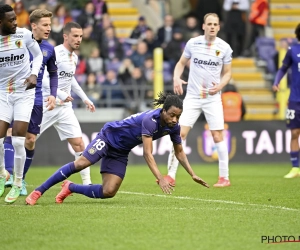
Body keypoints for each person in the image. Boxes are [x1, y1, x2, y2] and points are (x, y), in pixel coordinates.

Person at [25, 92, 209, 205]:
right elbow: (147, 153)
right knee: (81, 163)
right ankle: (38, 191)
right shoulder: (150, 120)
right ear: (163, 111)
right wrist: (160, 178)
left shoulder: (174, 126)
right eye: (172, 115)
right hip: (108, 137)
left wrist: (192, 174)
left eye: (178, 116)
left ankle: (70, 187)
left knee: (109, 192)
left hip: (121, 150)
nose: (175, 120)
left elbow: (179, 152)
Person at [166, 13, 233, 188]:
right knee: (179, 134)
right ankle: (171, 176)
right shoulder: (193, 43)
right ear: (203, 26)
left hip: (212, 98)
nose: (212, 27)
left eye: (215, 24)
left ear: (219, 27)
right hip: (193, 98)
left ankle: (224, 178)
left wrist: (220, 86)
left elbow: (227, 73)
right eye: (209, 24)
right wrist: (176, 78)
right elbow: (181, 63)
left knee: (217, 135)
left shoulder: (224, 48)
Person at [4, 9, 58, 196]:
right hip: (12, 94)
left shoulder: (49, 49)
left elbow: (53, 73)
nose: (49, 28)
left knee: (30, 140)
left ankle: (21, 179)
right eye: (45, 25)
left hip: (34, 97)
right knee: (10, 133)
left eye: (50, 25)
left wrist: (53, 93)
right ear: (34, 25)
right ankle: (8, 176)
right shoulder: (19, 40)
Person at [39, 22, 95, 186]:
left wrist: (85, 98)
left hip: (64, 108)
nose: (79, 40)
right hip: (48, 104)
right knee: (28, 140)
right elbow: (44, 78)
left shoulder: (74, 57)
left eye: (81, 36)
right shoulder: (54, 53)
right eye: (75, 36)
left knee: (79, 144)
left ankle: (87, 183)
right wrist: (61, 94)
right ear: (65, 36)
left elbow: (71, 80)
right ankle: (15, 179)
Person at [0, 4, 43, 203]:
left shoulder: (24, 35)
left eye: (15, 18)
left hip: (24, 93)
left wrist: (34, 74)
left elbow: (38, 55)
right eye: (11, 20)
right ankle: (2, 174)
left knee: (18, 140)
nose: (15, 23)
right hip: (3, 94)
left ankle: (17, 183)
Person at [272, 23, 300, 179]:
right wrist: (277, 81)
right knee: (295, 133)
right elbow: (283, 68)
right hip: (295, 99)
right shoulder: (293, 51)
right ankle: (295, 168)